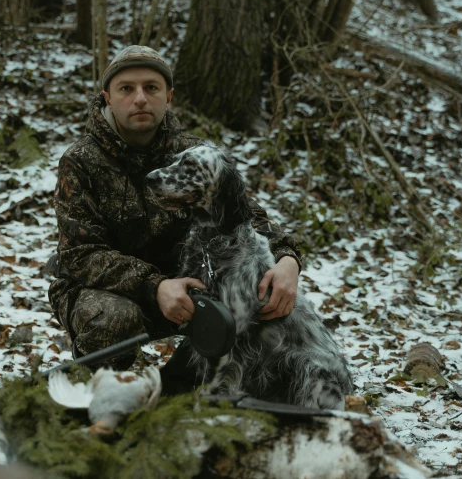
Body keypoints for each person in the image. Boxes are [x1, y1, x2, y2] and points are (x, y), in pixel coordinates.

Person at [47, 45, 303, 378]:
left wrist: (288, 259)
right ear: (108, 98)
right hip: (103, 290)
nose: (140, 98)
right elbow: (80, 255)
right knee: (113, 318)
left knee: (249, 287)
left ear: (168, 96)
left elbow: (243, 214)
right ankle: (101, 389)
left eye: (151, 88)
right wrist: (155, 286)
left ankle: (224, 385)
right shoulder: (80, 161)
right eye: (126, 88)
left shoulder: (193, 152)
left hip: (185, 289)